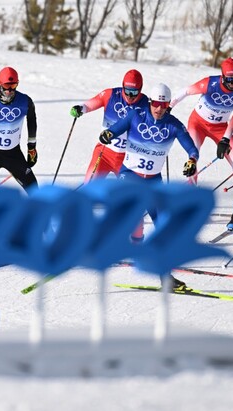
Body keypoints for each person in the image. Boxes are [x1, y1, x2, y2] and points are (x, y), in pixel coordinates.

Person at [100, 83, 199, 290]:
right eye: (155, 104)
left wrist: (192, 160)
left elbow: (190, 145)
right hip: (130, 175)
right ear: (150, 103)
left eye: (163, 105)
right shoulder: (136, 115)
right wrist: (109, 134)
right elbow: (116, 128)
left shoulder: (173, 125)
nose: (159, 108)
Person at [169, 57, 233, 231]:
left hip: (220, 129)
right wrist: (169, 107)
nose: (232, 84)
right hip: (198, 124)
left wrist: (226, 138)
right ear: (222, 76)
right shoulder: (209, 83)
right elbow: (186, 91)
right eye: (229, 80)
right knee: (193, 158)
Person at [69, 69, 150, 182]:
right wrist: (80, 108)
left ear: (140, 89)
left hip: (127, 158)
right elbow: (90, 104)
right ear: (123, 86)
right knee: (89, 186)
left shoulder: (147, 104)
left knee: (126, 195)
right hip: (104, 153)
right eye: (127, 91)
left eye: (134, 92)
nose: (130, 96)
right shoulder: (110, 95)